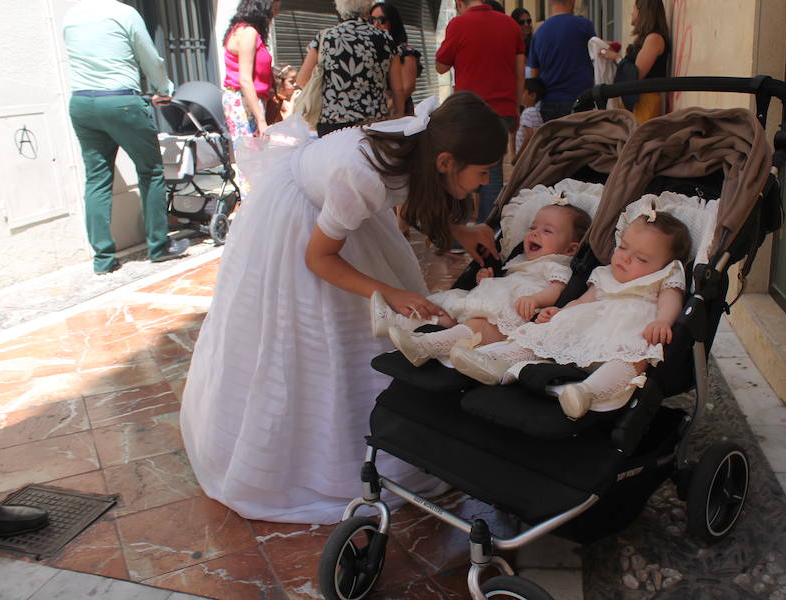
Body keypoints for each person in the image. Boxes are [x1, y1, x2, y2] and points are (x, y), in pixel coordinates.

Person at [179, 92, 507, 524]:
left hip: (338, 213)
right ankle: (329, 466)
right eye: (481, 173)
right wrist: (389, 292)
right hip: (302, 228)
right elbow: (318, 260)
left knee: (371, 335)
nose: (484, 183)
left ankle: (400, 442)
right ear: (447, 161)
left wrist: (458, 230)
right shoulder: (364, 177)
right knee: (319, 341)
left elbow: (411, 188)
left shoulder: (422, 142)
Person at [450, 210, 690, 423]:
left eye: (641, 258)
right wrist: (562, 312)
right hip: (588, 327)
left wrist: (662, 321)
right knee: (543, 336)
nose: (625, 257)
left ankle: (587, 393)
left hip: (626, 330)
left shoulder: (664, 277)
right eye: (623, 247)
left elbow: (672, 300)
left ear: (665, 265)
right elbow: (584, 300)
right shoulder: (605, 274)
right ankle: (495, 362)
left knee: (632, 359)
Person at [373, 202, 590, 366]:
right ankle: (399, 321)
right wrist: (486, 281)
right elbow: (507, 284)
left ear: (570, 249)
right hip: (486, 301)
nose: (534, 232)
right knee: (445, 305)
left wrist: (535, 299)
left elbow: (557, 288)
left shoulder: (556, 264)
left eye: (547, 231)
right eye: (533, 227)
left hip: (510, 314)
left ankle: (426, 345)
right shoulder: (520, 259)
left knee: (476, 327)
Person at [62, 0, 189, 275]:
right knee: (151, 170)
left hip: (81, 103)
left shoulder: (70, 16)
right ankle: (158, 246)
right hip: (120, 101)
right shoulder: (124, 13)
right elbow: (150, 59)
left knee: (97, 178)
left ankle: (103, 259)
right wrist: (164, 89)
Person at [436, 0, 526, 223]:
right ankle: (488, 231)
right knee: (492, 172)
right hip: (503, 108)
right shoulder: (511, 25)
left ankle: (459, 235)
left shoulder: (458, 24)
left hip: (469, 111)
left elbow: (441, 66)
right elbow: (520, 72)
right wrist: (516, 107)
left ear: (459, 2)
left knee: (460, 170)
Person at [296, 0, 406, 137]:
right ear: (368, 9)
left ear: (339, 8)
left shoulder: (325, 38)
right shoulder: (385, 39)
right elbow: (398, 89)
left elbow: (302, 79)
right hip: (375, 124)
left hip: (332, 124)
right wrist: (399, 118)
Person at [598, 0, 670, 123]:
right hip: (639, 104)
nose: (631, 13)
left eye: (634, 8)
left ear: (644, 12)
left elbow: (636, 75)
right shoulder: (646, 39)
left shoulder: (654, 38)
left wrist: (616, 57)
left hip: (645, 104)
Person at [528, 0, 597, 122]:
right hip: (581, 99)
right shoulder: (584, 26)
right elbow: (596, 58)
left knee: (555, 141)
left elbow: (534, 74)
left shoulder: (539, 33)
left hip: (550, 102)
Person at [222, 0, 280, 139]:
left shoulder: (241, 30)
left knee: (253, 154)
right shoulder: (248, 33)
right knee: (252, 154)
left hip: (247, 101)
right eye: (274, 9)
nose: (276, 13)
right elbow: (245, 80)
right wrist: (261, 120)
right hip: (245, 102)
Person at [370, 2, 422, 116]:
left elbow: (408, 87)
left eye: (381, 20)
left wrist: (389, 108)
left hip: (398, 112)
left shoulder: (405, 51)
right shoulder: (373, 50)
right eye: (372, 20)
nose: (375, 24)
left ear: (392, 22)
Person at [514, 77, 546, 161]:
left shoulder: (527, 113)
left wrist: (518, 156)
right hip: (533, 156)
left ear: (532, 95)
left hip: (525, 158)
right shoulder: (536, 112)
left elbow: (529, 135)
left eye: (522, 91)